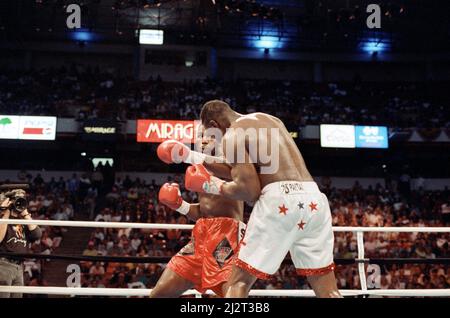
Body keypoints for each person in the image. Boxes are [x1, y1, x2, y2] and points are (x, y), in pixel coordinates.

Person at [162, 100, 341, 298]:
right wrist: (190, 156)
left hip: (280, 202)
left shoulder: (232, 135)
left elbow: (249, 191)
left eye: (211, 135)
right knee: (327, 289)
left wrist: (209, 184)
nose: (214, 141)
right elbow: (245, 170)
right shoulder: (271, 121)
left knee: (237, 283)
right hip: (314, 200)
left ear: (214, 125)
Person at [152, 129, 245, 298]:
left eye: (209, 136)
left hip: (226, 235)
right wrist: (179, 205)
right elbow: (204, 212)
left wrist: (189, 155)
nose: (203, 140)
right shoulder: (199, 169)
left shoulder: (234, 162)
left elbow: (238, 178)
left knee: (230, 296)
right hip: (201, 235)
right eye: (200, 136)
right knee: (160, 294)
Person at [0, 187, 42, 298]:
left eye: (22, 199)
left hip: (19, 266)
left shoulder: (24, 221)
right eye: (17, 199)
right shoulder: (2, 217)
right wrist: (6, 212)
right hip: (3, 265)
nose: (19, 202)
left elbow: (37, 235)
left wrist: (25, 213)